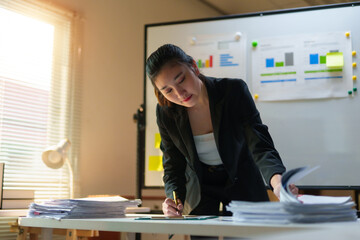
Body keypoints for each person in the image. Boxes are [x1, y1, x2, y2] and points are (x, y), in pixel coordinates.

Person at [146, 44, 298, 218]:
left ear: (194, 67)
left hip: (242, 178)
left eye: (181, 80)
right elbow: (173, 162)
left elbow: (259, 145)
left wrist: (278, 184)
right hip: (200, 185)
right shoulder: (166, 113)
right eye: (168, 91)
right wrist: (173, 199)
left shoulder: (233, 92)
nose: (179, 93)